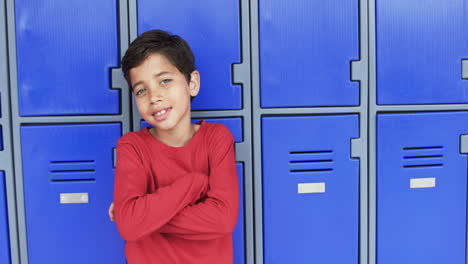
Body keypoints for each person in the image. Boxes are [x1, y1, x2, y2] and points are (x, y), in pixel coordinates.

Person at [108, 29, 240, 263]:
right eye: (141, 90)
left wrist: (139, 215)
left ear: (192, 83)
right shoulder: (132, 146)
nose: (154, 96)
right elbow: (129, 228)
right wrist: (194, 183)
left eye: (165, 81)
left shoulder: (217, 138)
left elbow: (223, 220)